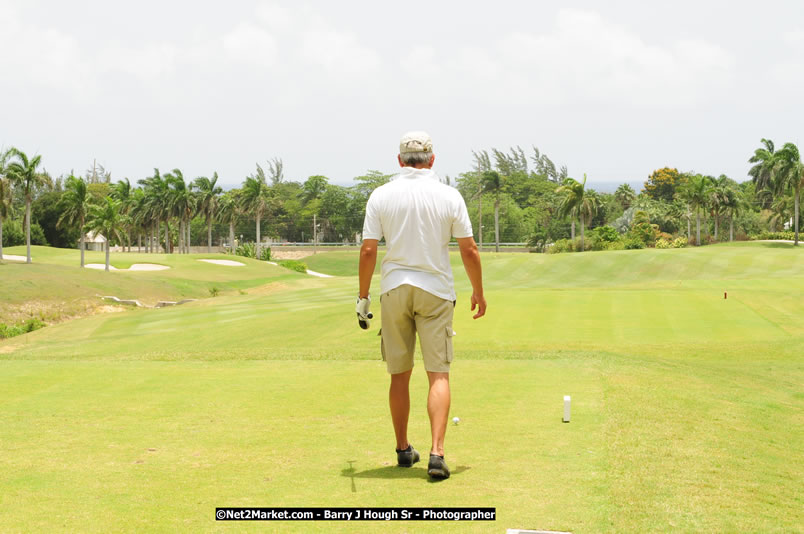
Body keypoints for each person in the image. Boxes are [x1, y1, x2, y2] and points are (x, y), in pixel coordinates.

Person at [356, 131, 486, 480]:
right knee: (438, 373)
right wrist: (478, 291)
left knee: (399, 374)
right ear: (432, 159)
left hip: (395, 289)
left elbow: (369, 250)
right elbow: (469, 249)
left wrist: (363, 296)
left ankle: (402, 449)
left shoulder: (381, 195)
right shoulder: (449, 195)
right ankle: (437, 454)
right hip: (436, 291)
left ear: (400, 160)